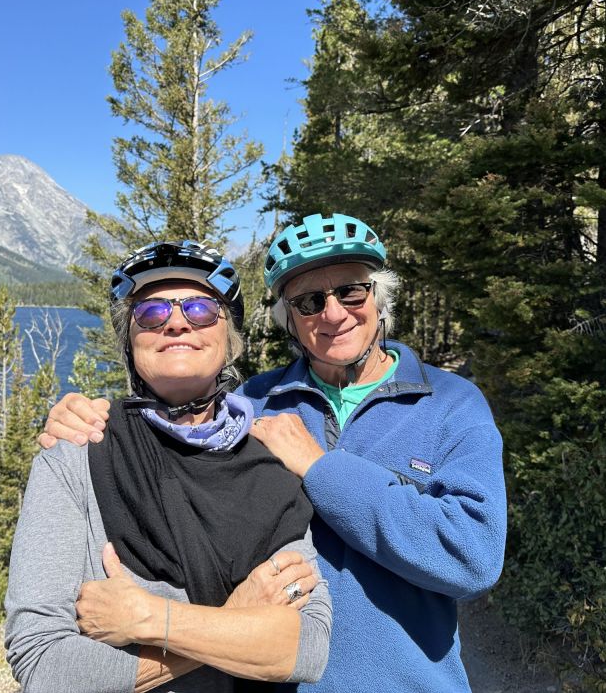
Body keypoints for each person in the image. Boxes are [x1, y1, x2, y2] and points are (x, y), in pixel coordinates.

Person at [41, 214, 507, 692]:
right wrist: (85, 416)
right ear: (290, 320)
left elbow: (472, 558)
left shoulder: (450, 404)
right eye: (309, 301)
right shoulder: (251, 406)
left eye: (351, 291)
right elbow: (167, 428)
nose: (333, 314)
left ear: (378, 297)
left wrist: (323, 469)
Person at [5, 240, 332, 692]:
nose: (177, 323)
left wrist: (148, 619)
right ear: (130, 341)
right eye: (152, 313)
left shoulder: (271, 462)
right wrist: (236, 619)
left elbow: (304, 648)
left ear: (229, 338)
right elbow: (42, 662)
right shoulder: (78, 454)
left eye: (200, 309)